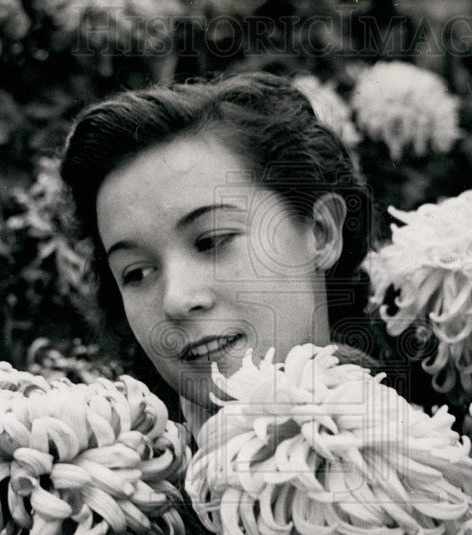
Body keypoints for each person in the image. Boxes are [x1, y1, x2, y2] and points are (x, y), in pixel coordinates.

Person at [60, 72, 383, 434]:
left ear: (321, 232)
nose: (177, 300)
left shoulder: (427, 459)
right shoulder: (122, 479)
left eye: (212, 241)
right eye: (136, 273)